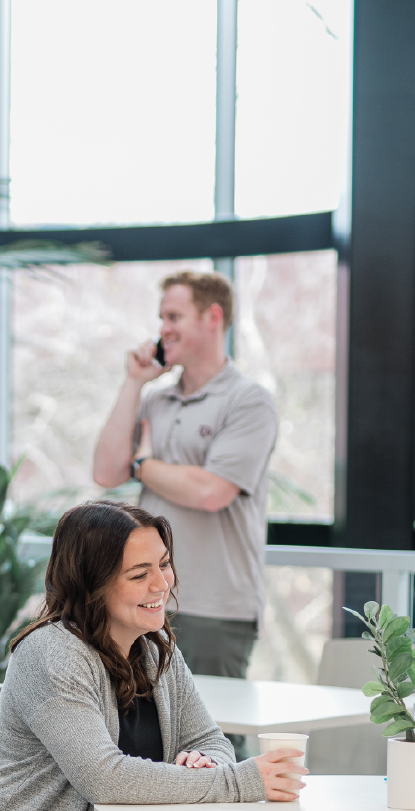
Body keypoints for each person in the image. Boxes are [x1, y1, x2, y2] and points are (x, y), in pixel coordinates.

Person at [0, 500, 304, 811]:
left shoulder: (153, 648)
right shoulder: (51, 654)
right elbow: (102, 778)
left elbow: (208, 739)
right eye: (139, 574)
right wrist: (239, 781)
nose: (162, 584)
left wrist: (205, 762)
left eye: (163, 564)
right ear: (92, 586)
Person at [90, 270, 279, 679]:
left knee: (214, 737)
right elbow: (106, 471)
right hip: (147, 600)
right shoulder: (157, 399)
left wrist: (143, 466)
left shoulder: (249, 401)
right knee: (147, 736)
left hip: (216, 606)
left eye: (174, 317)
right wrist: (134, 382)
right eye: (162, 318)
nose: (163, 329)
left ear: (212, 317)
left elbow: (211, 492)